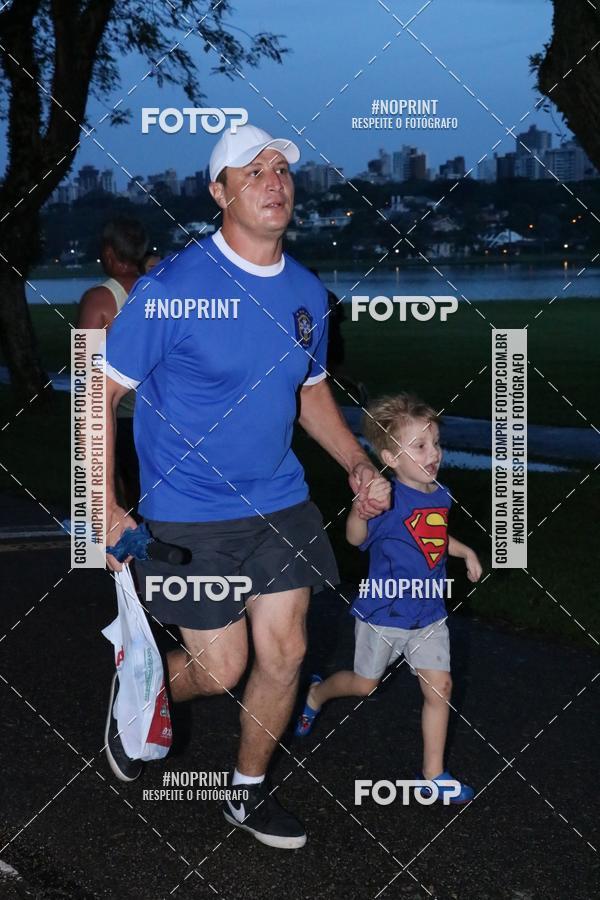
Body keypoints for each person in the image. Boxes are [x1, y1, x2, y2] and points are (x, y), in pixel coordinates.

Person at [102, 124, 389, 849]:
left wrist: (356, 462)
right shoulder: (173, 288)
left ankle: (246, 793)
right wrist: (102, 506)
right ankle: (142, 685)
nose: (273, 181)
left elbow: (310, 391)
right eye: (251, 170)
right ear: (218, 192)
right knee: (220, 667)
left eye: (281, 169)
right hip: (189, 510)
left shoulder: (306, 293)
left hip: (280, 502)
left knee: (287, 651)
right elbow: (95, 396)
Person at [295, 393, 483, 804]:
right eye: (419, 447)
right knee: (365, 685)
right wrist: (360, 513)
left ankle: (433, 776)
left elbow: (430, 537)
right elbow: (354, 539)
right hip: (385, 614)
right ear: (390, 458)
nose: (432, 454)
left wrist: (464, 550)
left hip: (429, 613)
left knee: (441, 688)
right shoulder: (386, 500)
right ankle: (316, 693)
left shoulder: (438, 493)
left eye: (435, 443)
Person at [78, 217, 148, 515]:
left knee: (123, 494)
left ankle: (126, 556)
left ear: (108, 253)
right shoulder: (164, 289)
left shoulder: (99, 299)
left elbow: (84, 368)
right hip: (168, 414)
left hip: (121, 415)